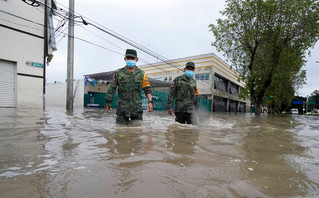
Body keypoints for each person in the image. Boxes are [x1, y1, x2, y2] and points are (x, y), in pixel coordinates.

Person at [105, 49, 153, 124]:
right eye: (128, 58)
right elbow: (112, 88)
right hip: (122, 108)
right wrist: (108, 102)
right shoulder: (118, 73)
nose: (130, 60)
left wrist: (150, 102)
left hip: (137, 109)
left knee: (137, 132)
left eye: (132, 58)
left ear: (136, 59)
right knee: (120, 131)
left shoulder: (142, 74)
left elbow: (147, 89)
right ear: (125, 59)